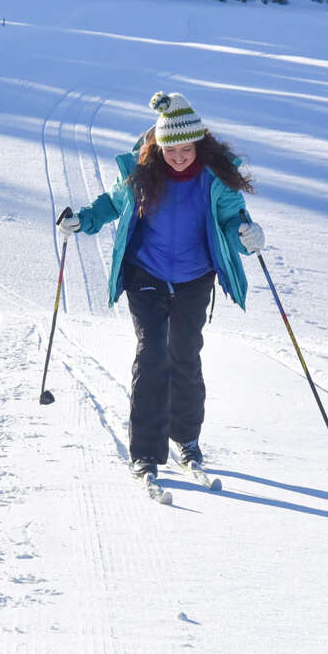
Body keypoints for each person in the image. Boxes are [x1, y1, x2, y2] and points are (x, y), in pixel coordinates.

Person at [58, 91, 263, 481]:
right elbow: (110, 205)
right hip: (146, 275)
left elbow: (233, 221)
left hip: (194, 277)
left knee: (184, 355)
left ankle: (186, 439)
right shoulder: (141, 173)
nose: (180, 157)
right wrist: (81, 220)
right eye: (172, 151)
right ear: (159, 146)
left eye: (187, 149)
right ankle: (145, 452)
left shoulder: (214, 180)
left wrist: (247, 236)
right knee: (152, 354)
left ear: (198, 145)